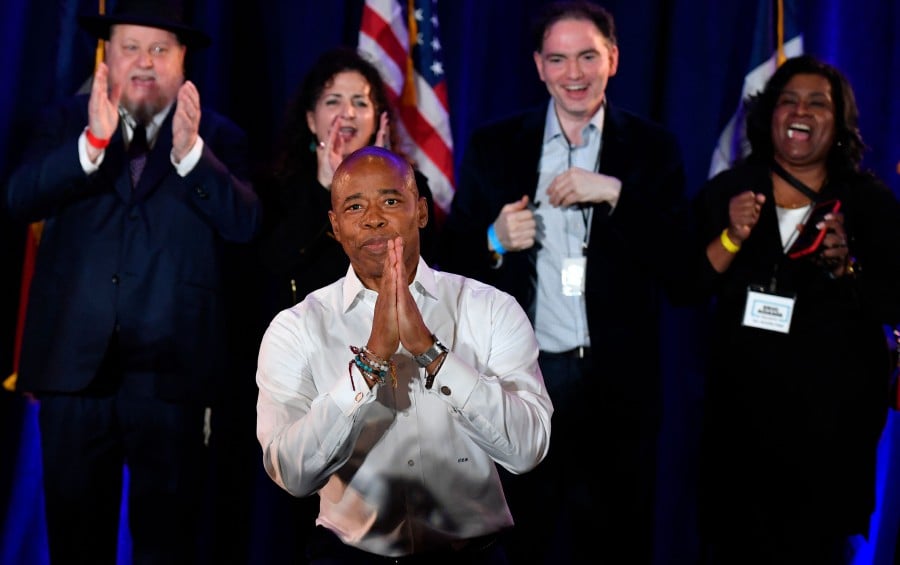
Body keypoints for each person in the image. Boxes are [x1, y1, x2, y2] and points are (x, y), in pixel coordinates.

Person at [4, 1, 261, 563]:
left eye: (160, 48)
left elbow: (244, 225)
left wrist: (193, 155)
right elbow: (19, 198)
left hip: (174, 378)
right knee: (75, 541)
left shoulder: (219, 137)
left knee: (169, 543)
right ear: (107, 57)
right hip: (74, 373)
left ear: (183, 58)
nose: (144, 62)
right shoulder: (60, 123)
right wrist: (91, 145)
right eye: (130, 47)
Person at [437, 2, 693, 563]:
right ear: (538, 65)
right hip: (524, 382)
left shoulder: (652, 149)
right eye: (558, 59)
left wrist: (616, 194)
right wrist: (494, 240)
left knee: (617, 542)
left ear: (614, 59)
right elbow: (451, 267)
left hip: (618, 385)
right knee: (524, 540)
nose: (574, 74)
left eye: (587, 57)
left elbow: (684, 270)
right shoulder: (496, 145)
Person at [255, 146, 553, 564]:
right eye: (354, 206)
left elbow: (528, 449)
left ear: (422, 212)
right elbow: (292, 475)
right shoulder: (296, 328)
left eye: (390, 201)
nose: (373, 218)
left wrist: (432, 354)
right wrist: (369, 363)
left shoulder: (490, 308)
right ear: (335, 226)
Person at [691, 54, 900, 564]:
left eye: (816, 102)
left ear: (839, 120)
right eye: (788, 99)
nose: (800, 110)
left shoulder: (868, 202)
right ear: (771, 114)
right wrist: (731, 236)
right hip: (739, 443)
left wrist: (848, 267)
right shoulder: (732, 189)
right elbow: (684, 285)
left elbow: (894, 301)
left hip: (829, 448)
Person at [257, 46, 437, 315]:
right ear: (310, 120)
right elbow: (272, 265)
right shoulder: (275, 186)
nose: (348, 112)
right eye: (333, 101)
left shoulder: (412, 184)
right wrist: (325, 187)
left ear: (377, 119)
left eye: (360, 102)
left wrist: (384, 183)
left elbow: (431, 265)